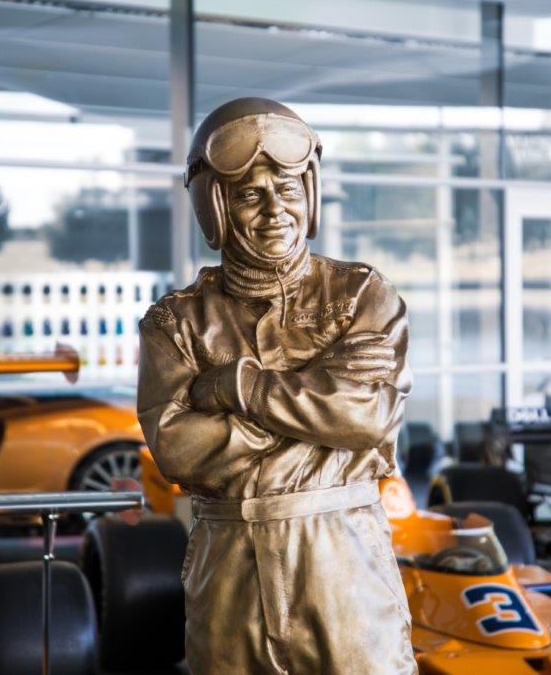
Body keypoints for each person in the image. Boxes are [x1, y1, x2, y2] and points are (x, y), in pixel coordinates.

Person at [137, 97, 414, 674]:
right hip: (229, 574)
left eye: (286, 190)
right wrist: (318, 408)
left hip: (344, 566)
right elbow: (178, 449)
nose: (274, 211)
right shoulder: (176, 321)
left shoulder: (361, 297)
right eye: (249, 195)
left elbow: (365, 418)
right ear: (214, 208)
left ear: (309, 195)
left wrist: (240, 387)